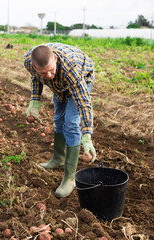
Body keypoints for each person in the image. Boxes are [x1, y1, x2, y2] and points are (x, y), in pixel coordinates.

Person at [24, 43, 97, 198]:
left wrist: (87, 135)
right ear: (35, 66)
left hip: (82, 77)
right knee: (58, 119)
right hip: (60, 85)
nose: (49, 75)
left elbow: (84, 103)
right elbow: (36, 79)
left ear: (55, 59)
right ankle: (58, 159)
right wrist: (35, 102)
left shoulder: (71, 69)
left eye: (51, 70)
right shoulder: (29, 63)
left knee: (71, 122)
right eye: (44, 73)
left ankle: (70, 178)